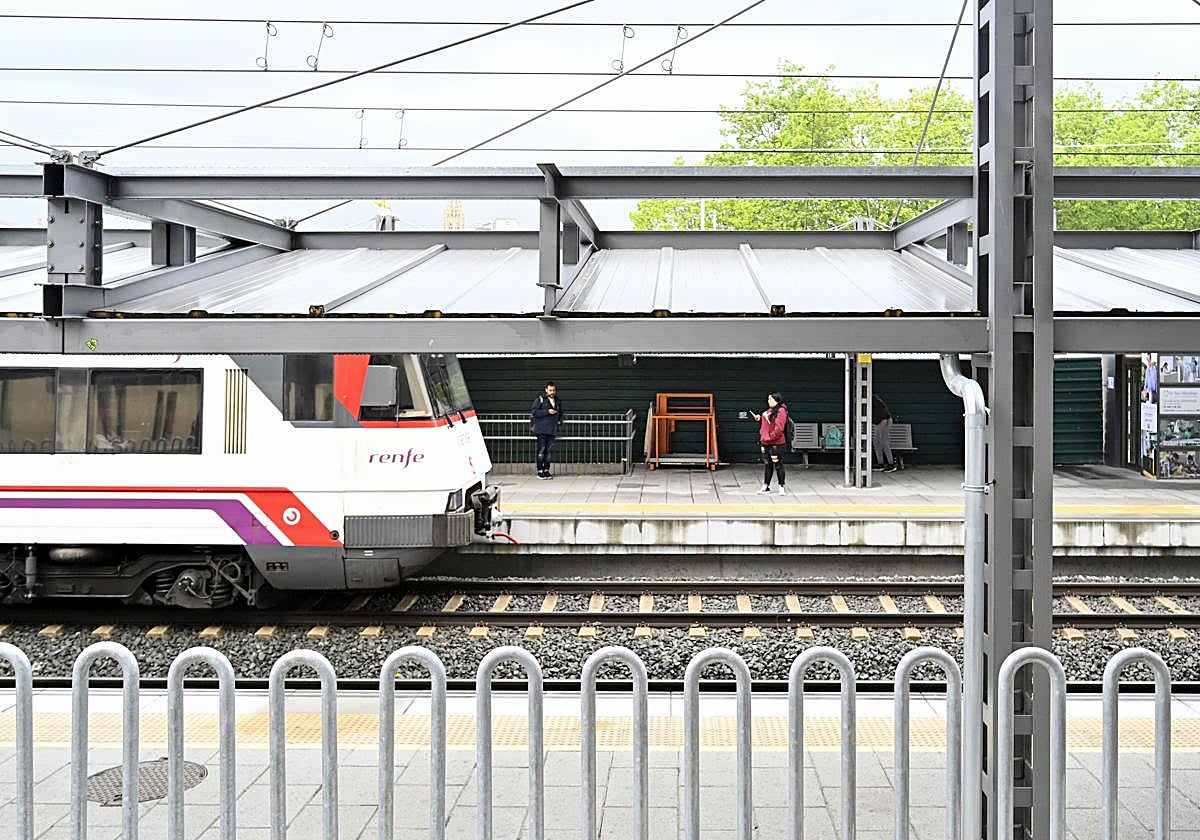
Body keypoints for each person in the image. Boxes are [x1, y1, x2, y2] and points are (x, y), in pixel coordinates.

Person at [751, 392, 789, 495]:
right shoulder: (770, 410)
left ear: (776, 400)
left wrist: (770, 437)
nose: (768, 401)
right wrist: (759, 417)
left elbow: (779, 428)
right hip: (766, 442)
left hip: (776, 443)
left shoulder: (781, 411)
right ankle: (766, 486)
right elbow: (768, 419)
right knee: (768, 464)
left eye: (770, 399)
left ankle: (781, 486)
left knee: (778, 465)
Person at [530, 381, 565, 479]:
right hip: (541, 429)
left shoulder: (558, 400)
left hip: (552, 429)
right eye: (550, 390)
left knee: (549, 451)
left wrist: (560, 421)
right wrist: (547, 411)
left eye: (553, 390)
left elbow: (561, 412)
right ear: (546, 390)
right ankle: (540, 470)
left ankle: (546, 469)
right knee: (541, 450)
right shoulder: (540, 399)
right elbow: (534, 412)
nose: (552, 392)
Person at [873, 394, 898, 473]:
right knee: (876, 442)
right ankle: (880, 463)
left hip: (884, 421)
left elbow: (883, 413)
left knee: (884, 442)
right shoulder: (872, 401)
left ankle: (891, 464)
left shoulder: (876, 401)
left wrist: (884, 421)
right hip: (878, 422)